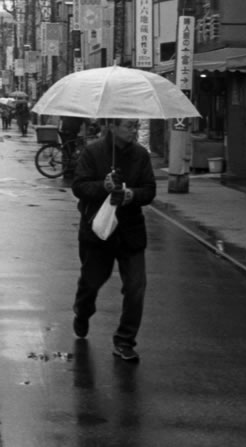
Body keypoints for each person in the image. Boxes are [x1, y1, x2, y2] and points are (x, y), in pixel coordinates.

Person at [71, 118, 156, 362]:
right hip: (98, 232)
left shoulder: (141, 155)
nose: (133, 130)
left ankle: (124, 340)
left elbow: (150, 190)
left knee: (136, 287)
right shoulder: (93, 151)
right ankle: (82, 311)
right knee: (92, 281)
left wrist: (131, 194)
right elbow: (79, 186)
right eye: (129, 126)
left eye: (135, 126)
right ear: (113, 126)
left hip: (130, 231)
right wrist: (104, 186)